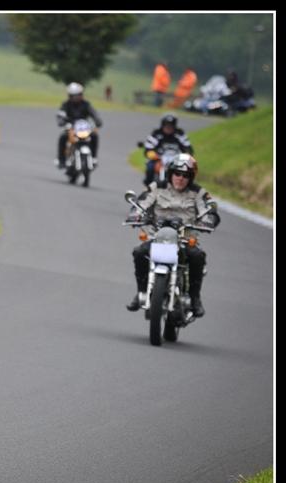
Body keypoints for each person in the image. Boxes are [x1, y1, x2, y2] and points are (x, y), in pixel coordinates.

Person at [125, 153, 220, 317]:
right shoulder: (157, 187)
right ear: (170, 173)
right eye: (177, 173)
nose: (180, 178)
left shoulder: (198, 192)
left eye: (186, 175)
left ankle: (195, 298)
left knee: (197, 256)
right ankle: (141, 293)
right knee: (139, 252)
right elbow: (141, 203)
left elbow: (210, 211)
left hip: (184, 239)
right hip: (157, 237)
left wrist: (209, 220)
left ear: (191, 177)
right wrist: (135, 214)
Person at [55, 82, 102, 169]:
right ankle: (61, 160)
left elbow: (93, 113)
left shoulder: (86, 104)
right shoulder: (66, 104)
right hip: (71, 127)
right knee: (63, 137)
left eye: (79, 94)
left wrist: (98, 120)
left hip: (84, 128)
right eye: (74, 95)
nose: (77, 97)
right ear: (70, 96)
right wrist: (61, 121)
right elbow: (61, 114)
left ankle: (94, 158)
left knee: (94, 136)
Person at [141, 113, 194, 189]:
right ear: (162, 125)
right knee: (150, 167)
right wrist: (151, 154)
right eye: (166, 125)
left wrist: (187, 154)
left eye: (171, 126)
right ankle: (148, 187)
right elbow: (148, 148)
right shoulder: (156, 134)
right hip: (159, 158)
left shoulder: (179, 134)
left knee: (189, 171)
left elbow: (188, 147)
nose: (169, 128)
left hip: (177, 160)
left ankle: (188, 189)